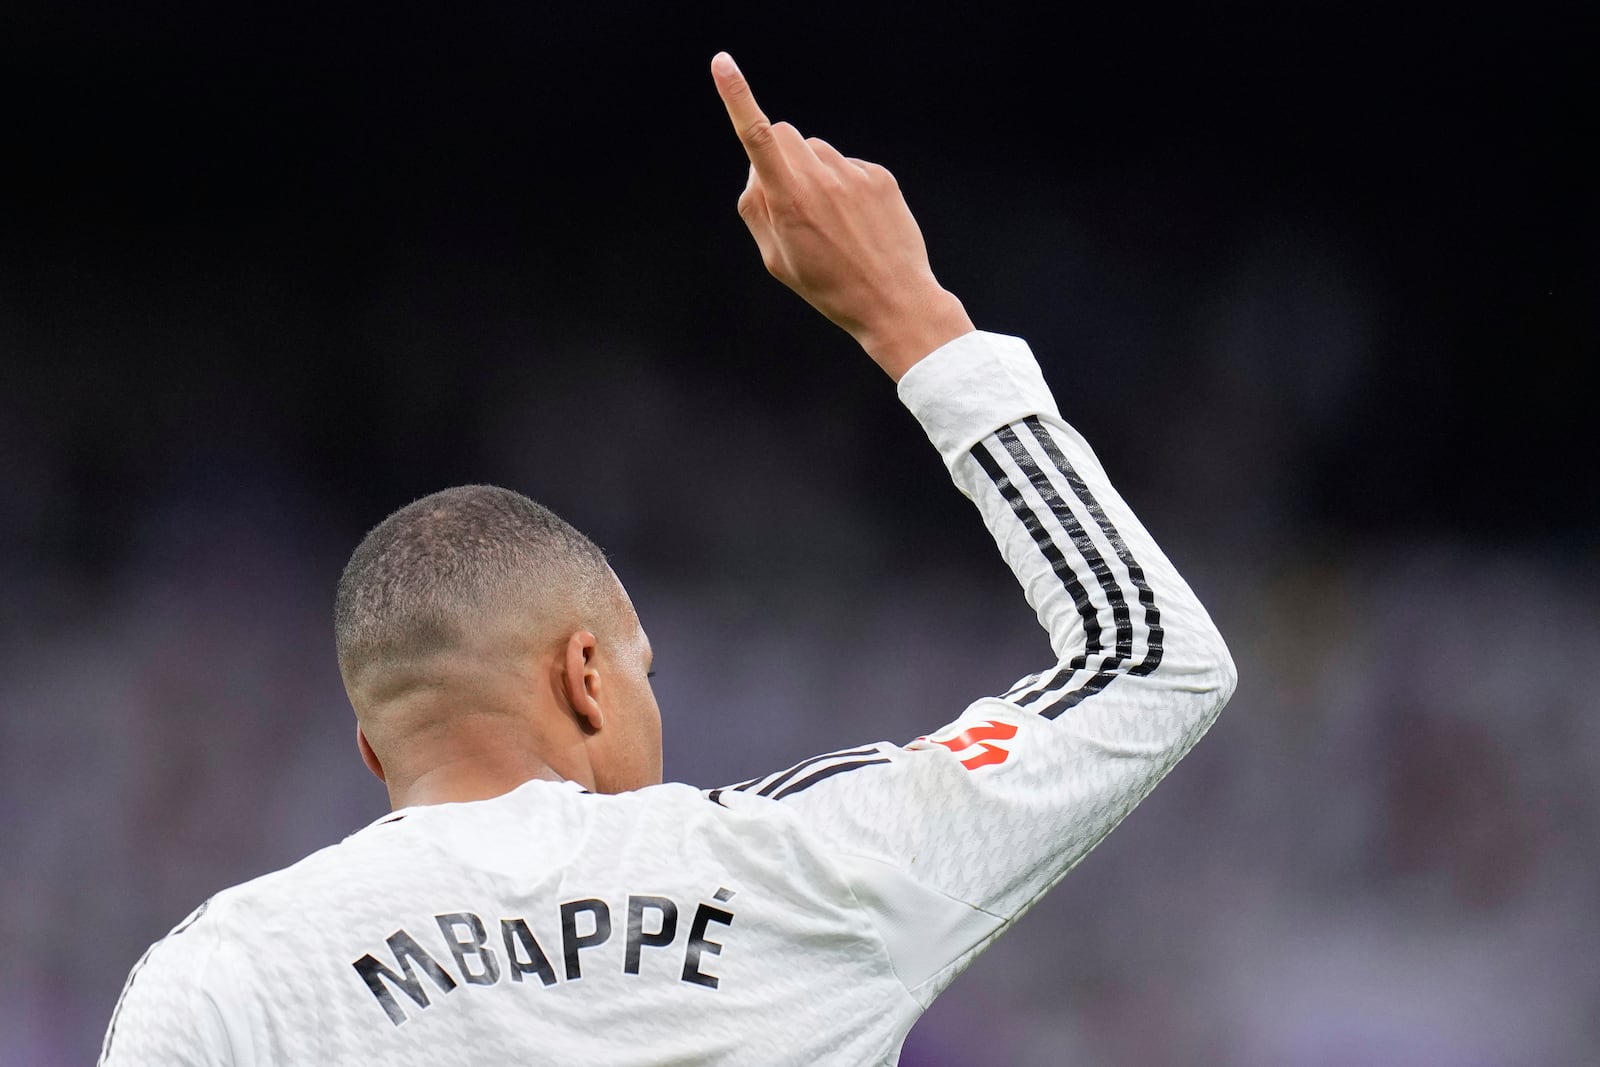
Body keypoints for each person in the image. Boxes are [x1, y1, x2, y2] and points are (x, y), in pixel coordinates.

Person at [100, 52, 1236, 1065]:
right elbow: (1154, 663)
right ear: (584, 674)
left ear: (371, 745)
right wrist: (912, 316)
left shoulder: (225, 977)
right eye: (644, 669)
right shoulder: (799, 869)